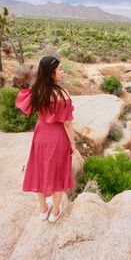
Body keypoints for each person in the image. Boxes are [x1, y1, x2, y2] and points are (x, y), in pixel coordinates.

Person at [16, 55, 78, 222]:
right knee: (58, 172)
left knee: (40, 169)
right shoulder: (62, 93)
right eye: (60, 69)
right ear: (51, 73)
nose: (63, 72)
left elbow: (25, 106)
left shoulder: (37, 89)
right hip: (57, 137)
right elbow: (67, 123)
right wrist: (72, 144)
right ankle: (55, 212)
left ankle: (43, 209)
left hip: (41, 135)